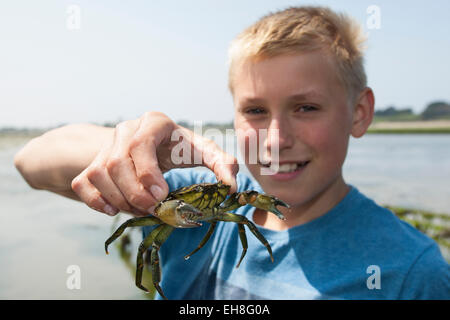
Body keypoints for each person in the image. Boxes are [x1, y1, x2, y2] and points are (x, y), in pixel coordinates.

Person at [14, 6, 449, 299]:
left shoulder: (411, 273)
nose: (275, 139)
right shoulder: (179, 195)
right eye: (256, 110)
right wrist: (123, 149)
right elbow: (32, 160)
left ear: (359, 113)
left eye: (306, 108)